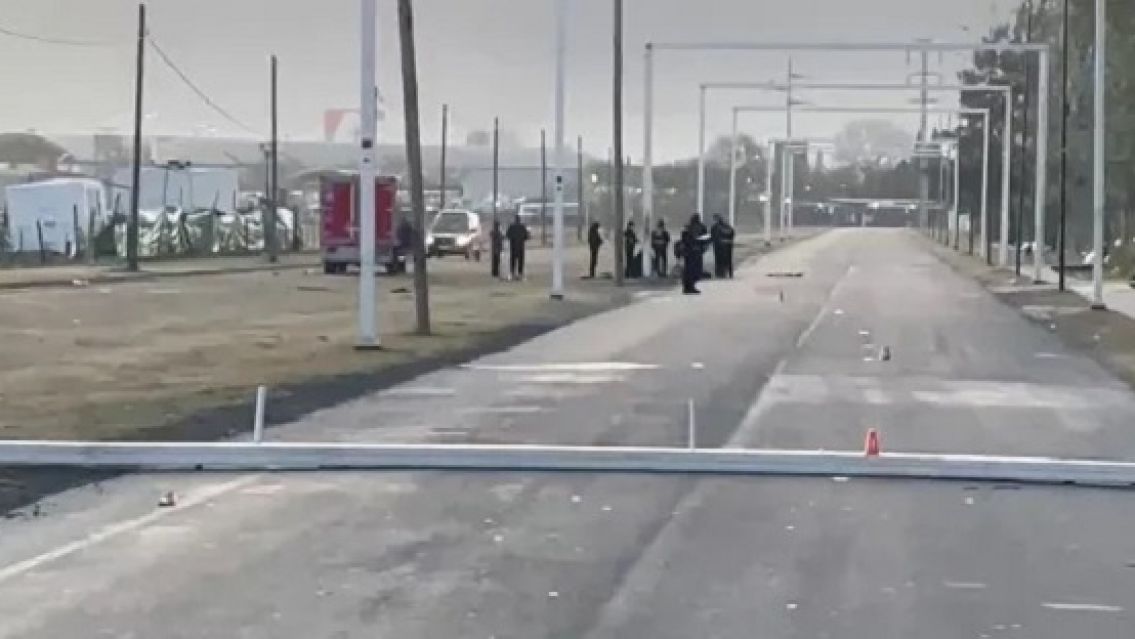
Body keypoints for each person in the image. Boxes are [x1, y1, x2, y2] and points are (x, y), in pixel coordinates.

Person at [680, 214, 705, 294]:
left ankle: (687, 287)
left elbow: (683, 239)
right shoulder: (700, 227)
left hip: (688, 252)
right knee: (695, 270)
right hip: (695, 252)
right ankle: (691, 286)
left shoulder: (686, 228)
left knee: (688, 270)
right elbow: (703, 239)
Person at [506, 215, 530, 280]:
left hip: (513, 246)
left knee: (513, 260)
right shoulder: (523, 227)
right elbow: (526, 237)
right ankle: (520, 273)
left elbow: (507, 235)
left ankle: (512, 273)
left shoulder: (511, 226)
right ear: (520, 220)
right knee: (521, 260)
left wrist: (512, 239)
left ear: (514, 220)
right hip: (520, 247)